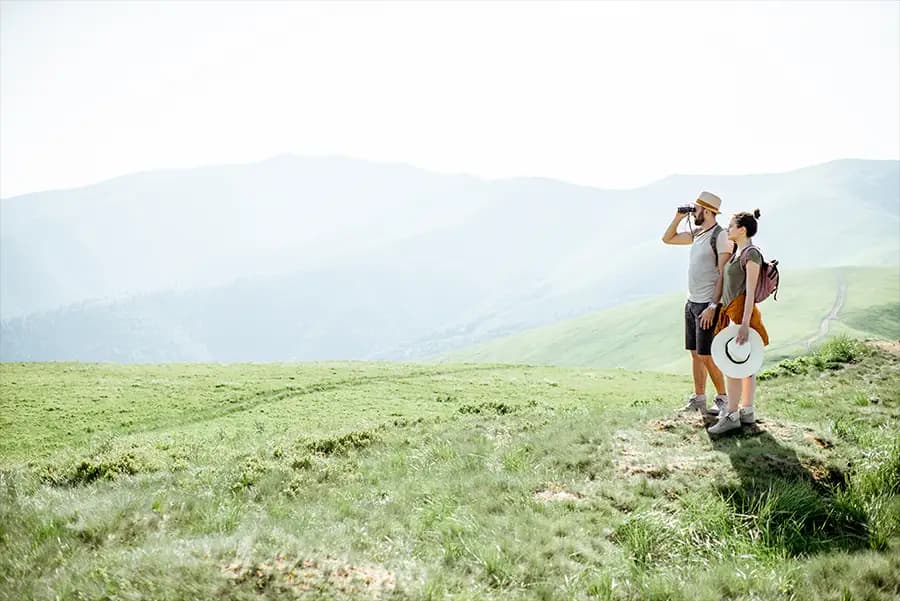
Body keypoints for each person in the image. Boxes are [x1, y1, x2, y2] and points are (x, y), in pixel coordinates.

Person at [661, 191, 732, 415]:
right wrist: (678, 217)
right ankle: (699, 398)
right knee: (694, 353)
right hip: (692, 302)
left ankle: (723, 399)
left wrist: (713, 306)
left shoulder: (720, 236)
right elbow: (668, 238)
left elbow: (723, 274)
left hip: (707, 305)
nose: (694, 212)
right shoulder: (700, 233)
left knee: (706, 355)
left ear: (709, 212)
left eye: (697, 209)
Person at [707, 209, 770, 435]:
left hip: (741, 315)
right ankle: (746, 411)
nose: (727, 229)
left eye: (731, 226)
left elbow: (750, 292)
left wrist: (744, 324)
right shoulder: (738, 252)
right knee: (743, 363)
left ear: (742, 230)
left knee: (734, 363)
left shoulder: (751, 255)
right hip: (734, 313)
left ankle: (732, 414)